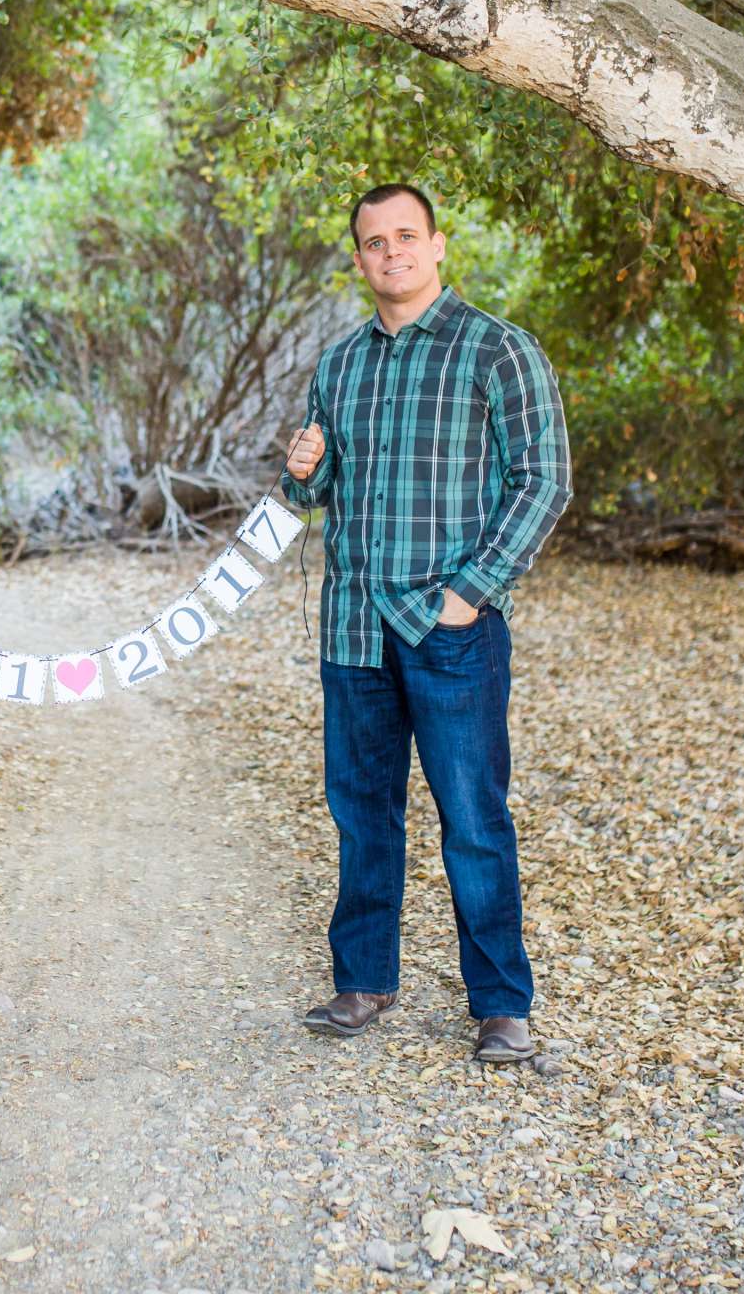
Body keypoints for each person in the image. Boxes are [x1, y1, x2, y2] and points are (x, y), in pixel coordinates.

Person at [281, 183, 570, 1064]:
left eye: (407, 236)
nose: (392, 253)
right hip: (354, 629)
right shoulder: (340, 365)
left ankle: (500, 1005)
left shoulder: (498, 352)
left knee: (473, 817)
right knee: (363, 815)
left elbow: (544, 479)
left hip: (450, 631)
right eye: (374, 242)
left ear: (438, 246)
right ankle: (364, 982)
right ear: (359, 258)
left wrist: (472, 592)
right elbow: (317, 495)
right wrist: (301, 472)